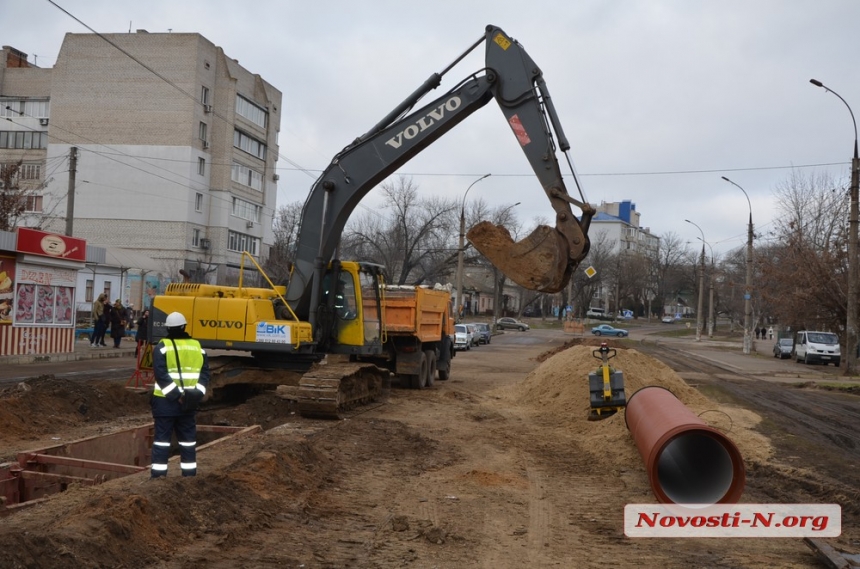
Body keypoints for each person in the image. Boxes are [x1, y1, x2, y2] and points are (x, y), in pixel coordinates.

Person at [150, 311, 210, 478]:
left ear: (168, 328)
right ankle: (189, 475)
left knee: (162, 441)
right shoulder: (197, 346)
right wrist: (196, 393)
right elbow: (205, 374)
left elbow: (161, 376)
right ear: (184, 326)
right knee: (188, 441)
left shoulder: (162, 346)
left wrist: (176, 396)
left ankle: (158, 476)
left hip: (165, 403)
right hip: (189, 404)